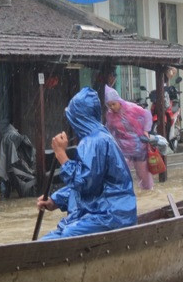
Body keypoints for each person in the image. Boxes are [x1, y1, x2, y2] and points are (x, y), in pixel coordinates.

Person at [36, 87, 137, 239]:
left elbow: (85, 183)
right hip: (99, 211)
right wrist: (55, 200)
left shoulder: (95, 141)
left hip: (111, 214)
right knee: (51, 237)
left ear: (78, 118)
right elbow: (87, 186)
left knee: (67, 234)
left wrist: (61, 155)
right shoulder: (96, 138)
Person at [104, 85, 154, 190]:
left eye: (113, 104)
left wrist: (146, 131)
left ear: (119, 101)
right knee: (121, 173)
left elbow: (147, 115)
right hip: (123, 149)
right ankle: (124, 193)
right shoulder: (109, 115)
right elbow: (109, 129)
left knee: (143, 175)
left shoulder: (132, 108)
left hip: (139, 147)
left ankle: (148, 193)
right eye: (109, 105)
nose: (112, 107)